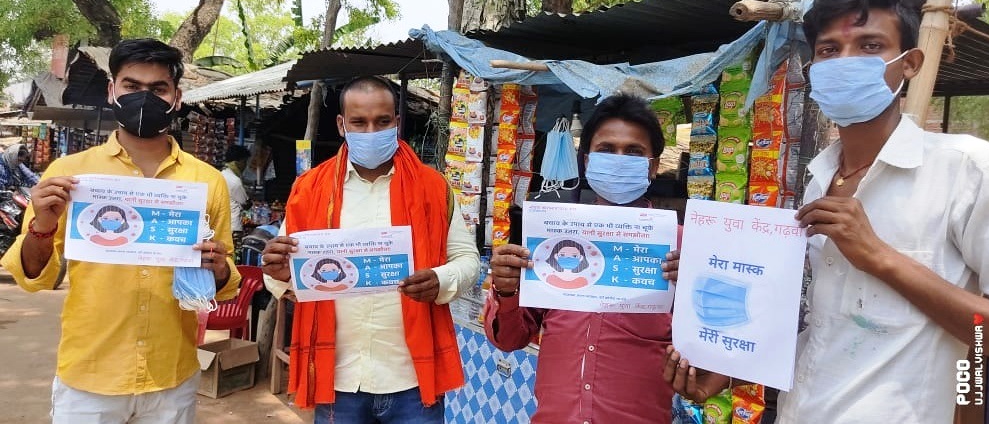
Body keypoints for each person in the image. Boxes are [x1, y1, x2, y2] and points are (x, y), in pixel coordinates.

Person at [664, 0, 989, 423]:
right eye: (829, 50)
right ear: (812, 69)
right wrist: (728, 370)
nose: (846, 61)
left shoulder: (969, 171)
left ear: (910, 63)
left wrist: (880, 258)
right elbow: (824, 329)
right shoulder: (821, 179)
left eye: (870, 45)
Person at [0, 38, 241, 424]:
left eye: (158, 89)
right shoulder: (70, 173)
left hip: (170, 375)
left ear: (176, 98)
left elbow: (225, 282)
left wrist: (218, 268)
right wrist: (42, 225)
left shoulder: (207, 182)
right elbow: (33, 277)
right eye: (132, 86)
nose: (144, 97)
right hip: (90, 375)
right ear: (112, 90)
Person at [260, 75, 480, 423]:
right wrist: (280, 272)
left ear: (397, 123)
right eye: (359, 122)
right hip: (338, 379)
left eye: (382, 121)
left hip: (411, 377)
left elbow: (467, 260)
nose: (371, 131)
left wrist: (441, 279)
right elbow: (285, 274)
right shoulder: (310, 189)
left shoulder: (433, 188)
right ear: (341, 125)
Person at [488, 93, 682, 423]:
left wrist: (693, 292)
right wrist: (506, 291)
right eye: (607, 149)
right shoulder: (553, 235)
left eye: (633, 152)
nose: (618, 160)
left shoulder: (680, 248)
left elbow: (709, 357)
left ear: (652, 167)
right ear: (588, 161)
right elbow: (510, 339)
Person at [221, 144, 251, 234]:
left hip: (221, 224)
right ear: (237, 162)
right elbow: (245, 203)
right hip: (233, 226)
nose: (245, 165)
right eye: (244, 162)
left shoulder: (221, 174)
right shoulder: (235, 180)